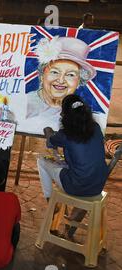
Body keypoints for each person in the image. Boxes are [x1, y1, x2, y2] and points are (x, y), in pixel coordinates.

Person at [37, 94, 107, 239]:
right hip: (98, 186)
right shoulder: (95, 127)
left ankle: (51, 201)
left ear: (66, 115)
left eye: (63, 111)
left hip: (77, 186)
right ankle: (68, 215)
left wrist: (48, 130)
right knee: (69, 165)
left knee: (42, 161)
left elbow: (50, 142)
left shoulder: (66, 134)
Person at [23, 36, 96, 133]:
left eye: (70, 75)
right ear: (42, 76)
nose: (61, 80)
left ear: (79, 81)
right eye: (54, 72)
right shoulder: (24, 104)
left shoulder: (82, 113)